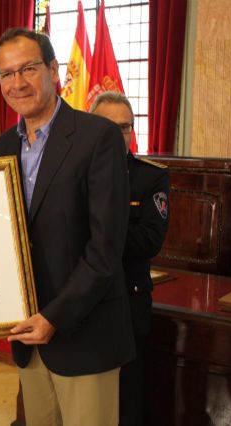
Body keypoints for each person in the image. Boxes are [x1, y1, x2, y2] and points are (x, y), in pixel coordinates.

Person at [0, 28, 135, 425]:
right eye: (6, 74)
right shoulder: (1, 149)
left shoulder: (98, 137)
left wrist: (55, 316)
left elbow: (105, 249)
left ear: (54, 70)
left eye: (29, 69)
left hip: (84, 334)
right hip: (28, 338)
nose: (17, 83)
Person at [91, 91, 170, 426]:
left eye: (125, 127)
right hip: (84, 306)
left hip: (127, 301)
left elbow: (149, 240)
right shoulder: (76, 172)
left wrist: (96, 235)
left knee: (126, 402)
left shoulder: (149, 176)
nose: (119, 135)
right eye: (109, 127)